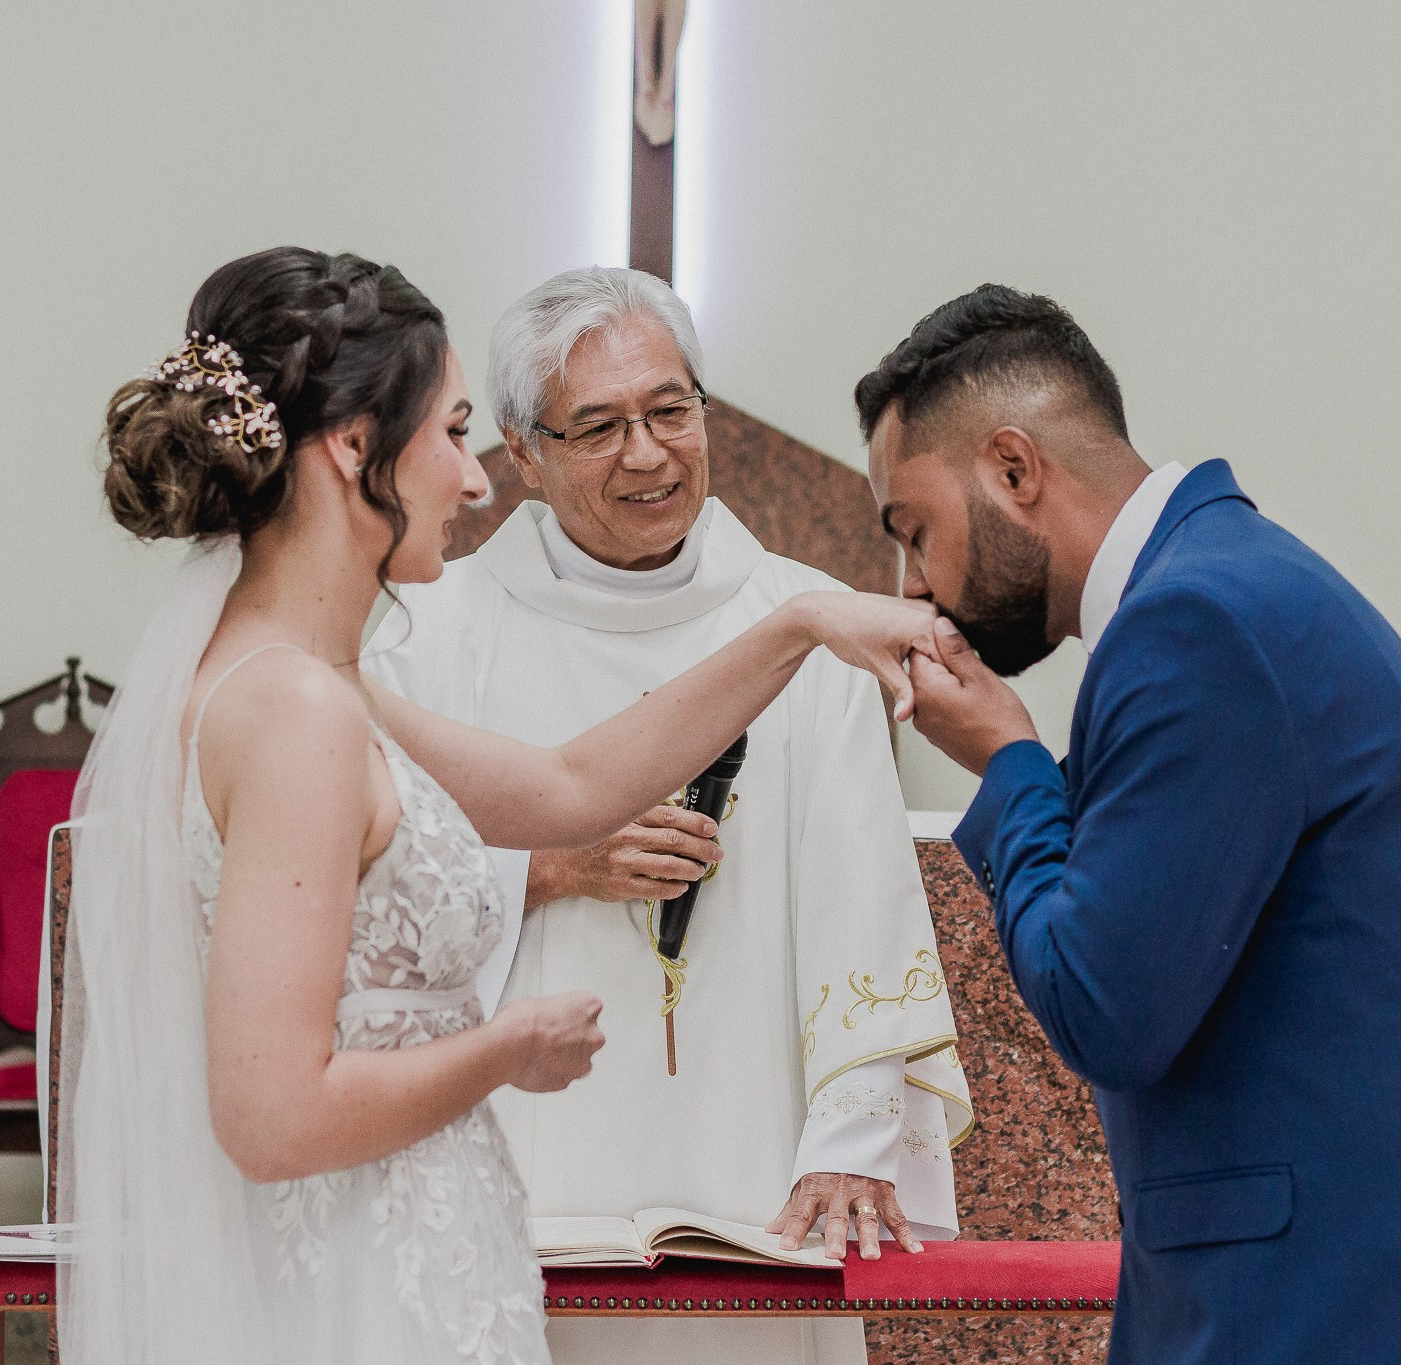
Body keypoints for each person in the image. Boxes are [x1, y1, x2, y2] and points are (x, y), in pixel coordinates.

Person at [55, 247, 937, 1365]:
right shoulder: (298, 708)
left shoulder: (332, 683)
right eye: (455, 433)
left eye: (670, 410)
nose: (475, 482)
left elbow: (564, 788)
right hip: (373, 1261)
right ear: (353, 453)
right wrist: (505, 1046)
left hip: (439, 1247)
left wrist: (800, 624)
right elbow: (270, 1111)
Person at [859, 283, 1401, 1364]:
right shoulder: (1223, 589)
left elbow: (1102, 1006)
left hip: (1344, 1306)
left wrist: (1010, 761)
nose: (913, 585)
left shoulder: (1193, 624)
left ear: (1014, 471)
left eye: (913, 531)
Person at [369, 266, 971, 1365]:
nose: (645, 453)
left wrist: (851, 1143)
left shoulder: (809, 626)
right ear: (524, 449)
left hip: (752, 1170)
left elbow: (862, 893)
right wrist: (546, 868)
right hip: (509, 1152)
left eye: (668, 409)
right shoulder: (431, 637)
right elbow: (367, 894)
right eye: (596, 425)